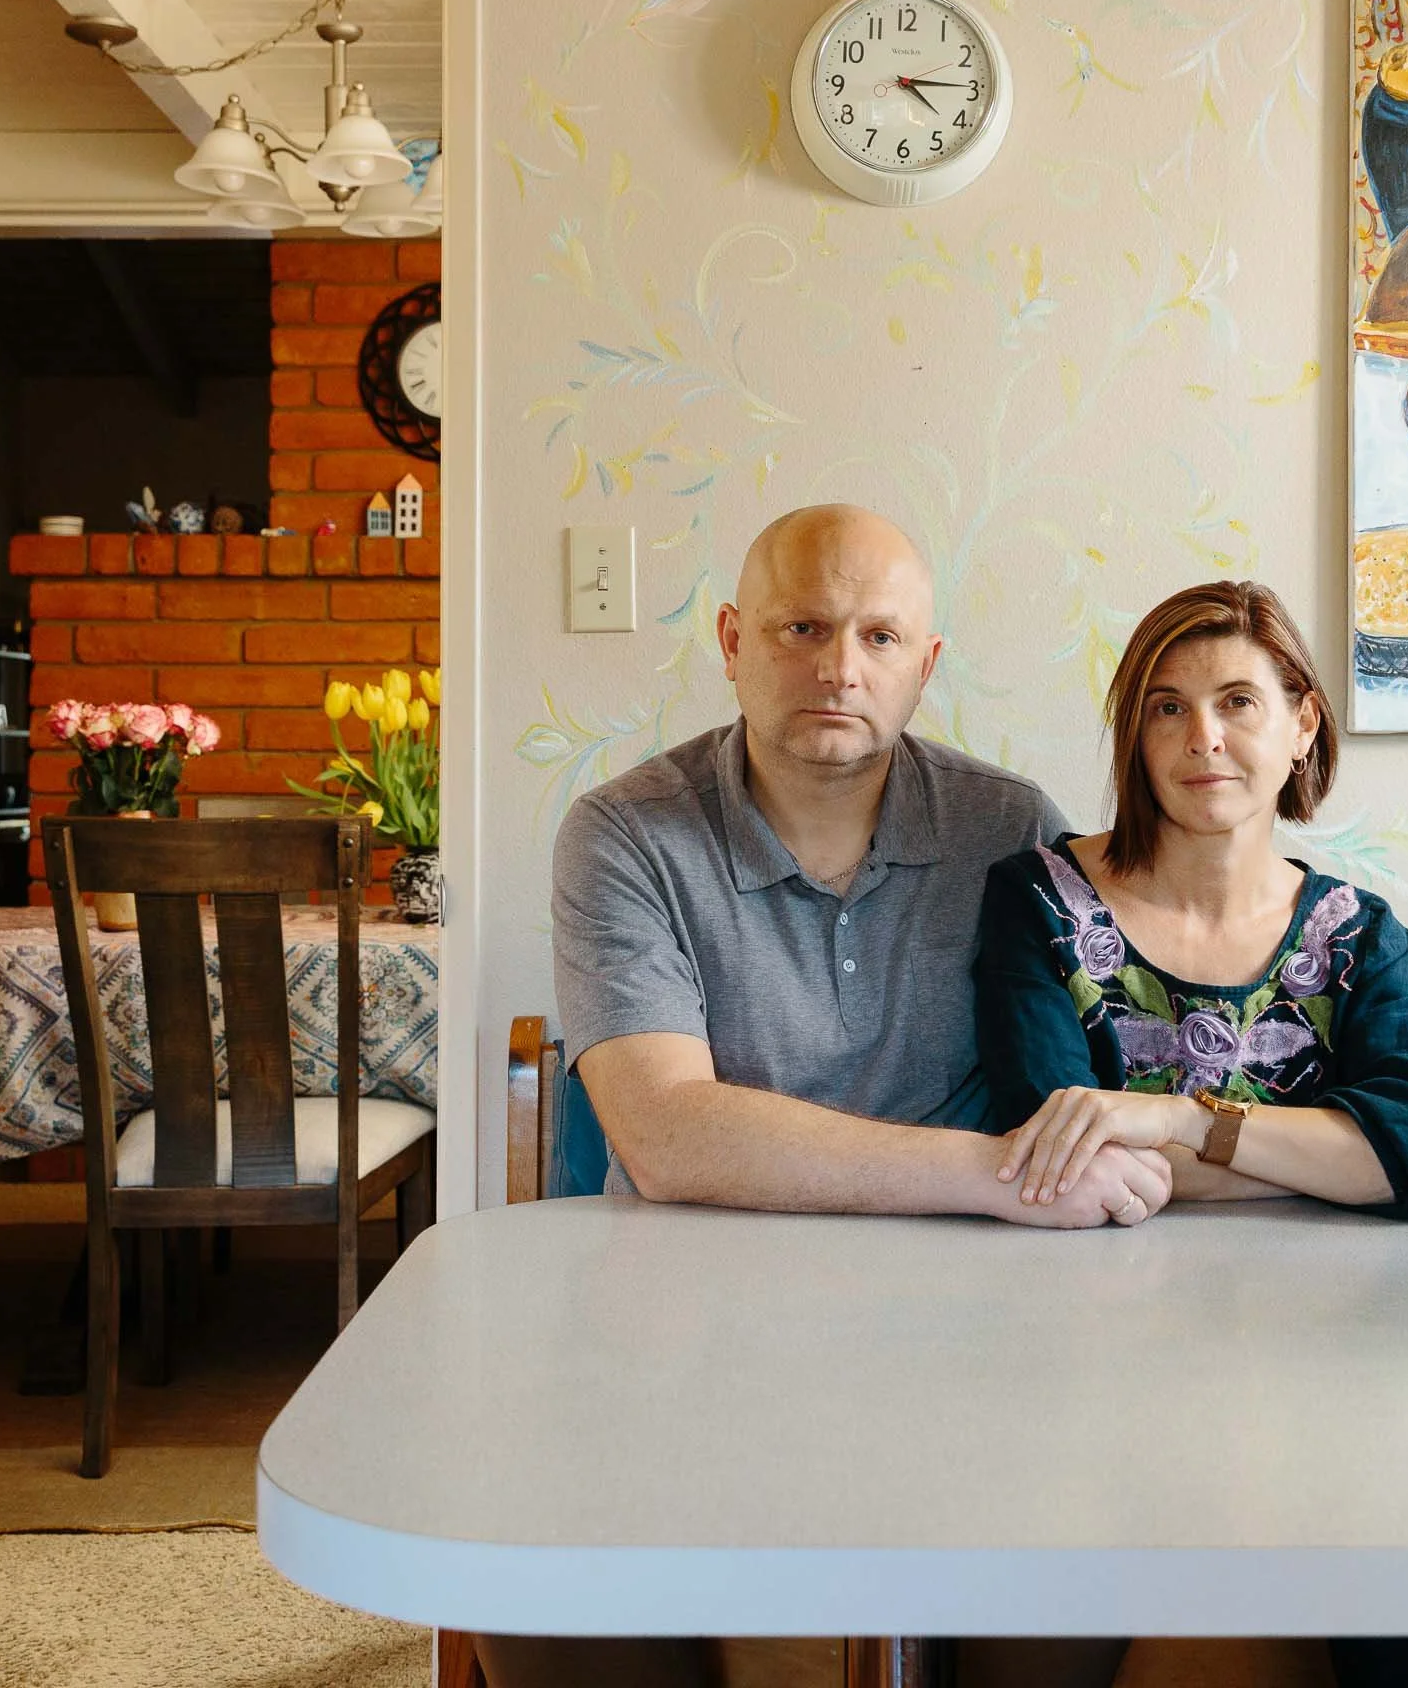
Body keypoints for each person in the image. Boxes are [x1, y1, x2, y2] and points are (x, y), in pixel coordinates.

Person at [483, 505, 1173, 1688]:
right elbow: (664, 1132)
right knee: (524, 1572)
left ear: (926, 664)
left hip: (974, 1328)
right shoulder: (624, 833)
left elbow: (1089, 1077)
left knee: (1092, 1545)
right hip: (684, 1327)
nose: (838, 667)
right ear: (733, 638)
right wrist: (993, 1173)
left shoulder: (1008, 828)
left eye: (878, 635)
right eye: (802, 626)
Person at [973, 578, 1408, 1688]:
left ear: (1302, 720)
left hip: (1341, 1362)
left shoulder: (1358, 933)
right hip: (1080, 1359)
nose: (1202, 737)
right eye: (1165, 706)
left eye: (1236, 700)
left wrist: (1178, 1115)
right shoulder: (1035, 901)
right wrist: (1330, 1160)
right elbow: (1063, 1152)